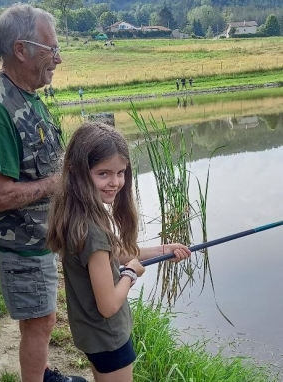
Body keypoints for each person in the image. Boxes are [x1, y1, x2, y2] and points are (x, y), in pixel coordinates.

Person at [0, 4, 87, 382]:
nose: (57, 59)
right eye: (51, 49)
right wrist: (61, 182)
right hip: (17, 241)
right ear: (21, 49)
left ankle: (42, 373)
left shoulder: (25, 94)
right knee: (39, 319)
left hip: (36, 236)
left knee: (42, 315)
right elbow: (1, 196)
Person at [47, 122, 191, 382]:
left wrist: (163, 249)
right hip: (108, 337)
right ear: (78, 172)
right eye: (104, 174)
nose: (115, 182)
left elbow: (115, 253)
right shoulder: (92, 231)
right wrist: (130, 273)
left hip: (91, 334)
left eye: (121, 172)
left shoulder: (76, 215)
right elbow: (109, 305)